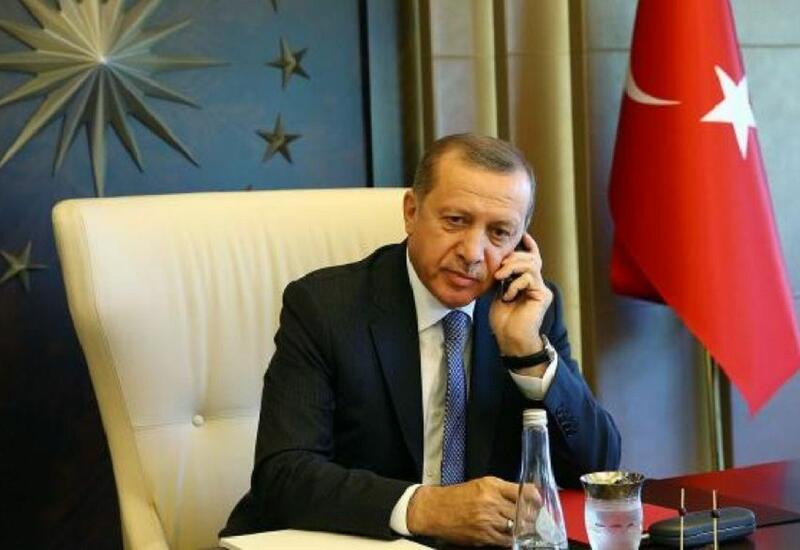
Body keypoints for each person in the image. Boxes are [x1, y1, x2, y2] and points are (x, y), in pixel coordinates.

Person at [221, 134, 621, 547]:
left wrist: (527, 352)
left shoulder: (529, 310)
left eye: (499, 232)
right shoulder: (325, 308)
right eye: (456, 221)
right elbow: (283, 476)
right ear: (412, 212)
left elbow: (597, 469)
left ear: (521, 242)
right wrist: (425, 507)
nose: (472, 252)